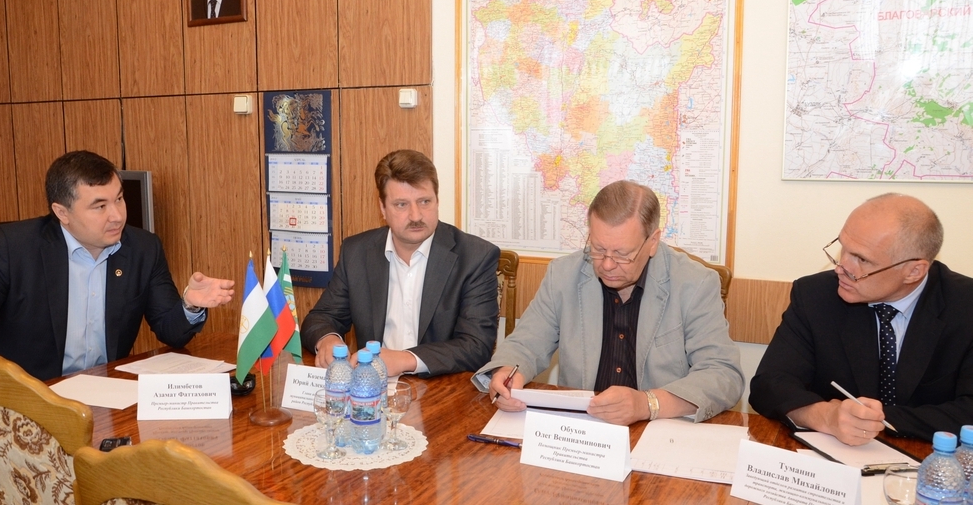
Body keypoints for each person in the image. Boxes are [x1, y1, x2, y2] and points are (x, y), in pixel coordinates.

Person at [473, 180, 743, 426]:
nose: (607, 265)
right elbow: (525, 344)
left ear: (653, 242)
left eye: (622, 254)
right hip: (582, 430)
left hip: (658, 431)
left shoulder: (694, 284)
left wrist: (647, 404)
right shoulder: (563, 275)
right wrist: (509, 373)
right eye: (598, 249)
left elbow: (723, 374)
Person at [0, 151, 235, 380]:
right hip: (28, 396)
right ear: (62, 212)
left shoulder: (143, 248)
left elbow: (170, 332)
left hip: (104, 392)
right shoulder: (14, 247)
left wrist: (190, 305)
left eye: (119, 199)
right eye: (100, 206)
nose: (117, 216)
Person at [750, 194, 973, 444]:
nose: (841, 267)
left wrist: (874, 420)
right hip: (834, 454)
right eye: (843, 247)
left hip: (934, 457)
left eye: (862, 259)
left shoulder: (965, 306)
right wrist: (825, 416)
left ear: (914, 271)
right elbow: (769, 384)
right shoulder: (815, 295)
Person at [301, 149, 500, 377]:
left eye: (424, 201)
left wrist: (406, 359)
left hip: (441, 387)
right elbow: (321, 317)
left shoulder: (474, 257)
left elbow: (476, 347)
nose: (416, 216)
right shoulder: (356, 252)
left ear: (437, 201)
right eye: (401, 205)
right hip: (372, 386)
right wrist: (328, 339)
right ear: (383, 208)